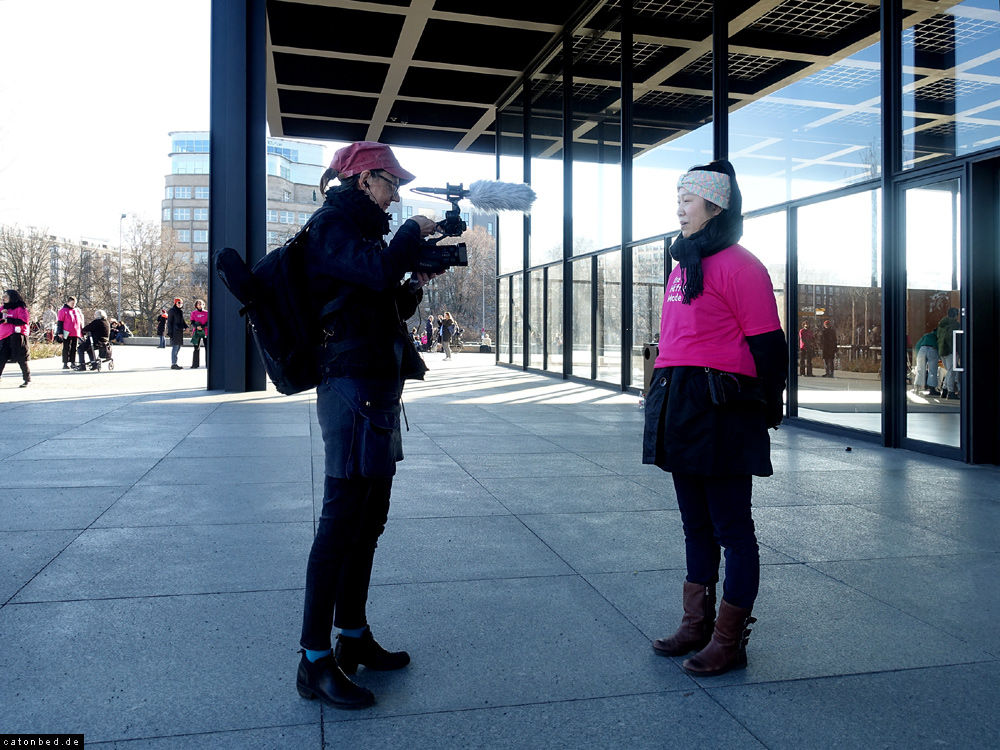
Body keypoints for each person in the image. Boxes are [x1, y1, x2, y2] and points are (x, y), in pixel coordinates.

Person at [295, 141, 438, 710]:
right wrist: (409, 242)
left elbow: (371, 298)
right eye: (390, 183)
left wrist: (411, 286)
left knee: (368, 521)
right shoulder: (331, 226)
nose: (396, 194)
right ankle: (313, 660)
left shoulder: (360, 234)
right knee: (340, 525)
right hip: (352, 388)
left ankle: (351, 635)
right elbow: (371, 272)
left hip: (374, 388)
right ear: (363, 179)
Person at [642, 160, 787, 678]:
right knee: (694, 525)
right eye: (677, 196)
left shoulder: (741, 264)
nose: (679, 206)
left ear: (715, 206)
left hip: (722, 409)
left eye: (688, 198)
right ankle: (695, 624)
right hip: (680, 404)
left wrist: (770, 405)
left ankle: (729, 640)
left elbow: (770, 345)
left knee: (732, 529)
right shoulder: (683, 264)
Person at [0, 289, 32, 387]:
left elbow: (23, 321)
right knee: (1, 358)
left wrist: (8, 320)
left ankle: (27, 379)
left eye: (6, 296)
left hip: (17, 336)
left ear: (12, 297)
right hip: (4, 336)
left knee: (21, 358)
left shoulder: (20, 308)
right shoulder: (3, 308)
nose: (3, 298)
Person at [936, 307, 960, 399]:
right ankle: (950, 392)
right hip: (950, 351)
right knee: (951, 372)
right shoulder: (954, 325)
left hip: (942, 350)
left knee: (949, 371)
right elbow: (952, 339)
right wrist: (956, 350)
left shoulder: (942, 325)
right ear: (956, 315)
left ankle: (944, 390)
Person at [57, 296, 84, 370]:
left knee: (74, 348)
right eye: (72, 303)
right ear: (68, 302)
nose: (73, 305)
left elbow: (80, 321)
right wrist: (60, 332)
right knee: (66, 347)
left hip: (76, 331)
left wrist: (81, 331)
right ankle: (65, 362)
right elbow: (60, 322)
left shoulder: (77, 311)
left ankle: (73, 362)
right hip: (67, 332)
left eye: (74, 303)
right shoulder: (63, 311)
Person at [913, 329, 939, 396]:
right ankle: (932, 389)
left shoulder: (926, 335)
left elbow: (917, 345)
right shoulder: (938, 335)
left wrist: (918, 353)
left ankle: (917, 388)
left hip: (922, 349)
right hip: (933, 349)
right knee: (932, 370)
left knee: (920, 369)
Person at [167, 298, 188, 369]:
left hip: (180, 331)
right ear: (175, 303)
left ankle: (175, 362)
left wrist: (186, 326)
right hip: (174, 331)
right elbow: (169, 322)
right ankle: (174, 363)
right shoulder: (172, 311)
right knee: (175, 348)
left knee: (178, 347)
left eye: (181, 303)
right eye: (179, 302)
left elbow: (182, 321)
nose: (180, 304)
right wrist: (170, 332)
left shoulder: (180, 311)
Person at [190, 299, 208, 369]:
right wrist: (196, 327)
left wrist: (203, 327)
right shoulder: (193, 313)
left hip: (205, 331)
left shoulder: (207, 313)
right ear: (196, 305)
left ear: (203, 305)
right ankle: (195, 364)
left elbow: (209, 321)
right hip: (196, 332)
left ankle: (208, 364)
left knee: (207, 348)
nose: (200, 305)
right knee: (196, 348)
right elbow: (192, 321)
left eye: (201, 304)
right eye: (198, 304)